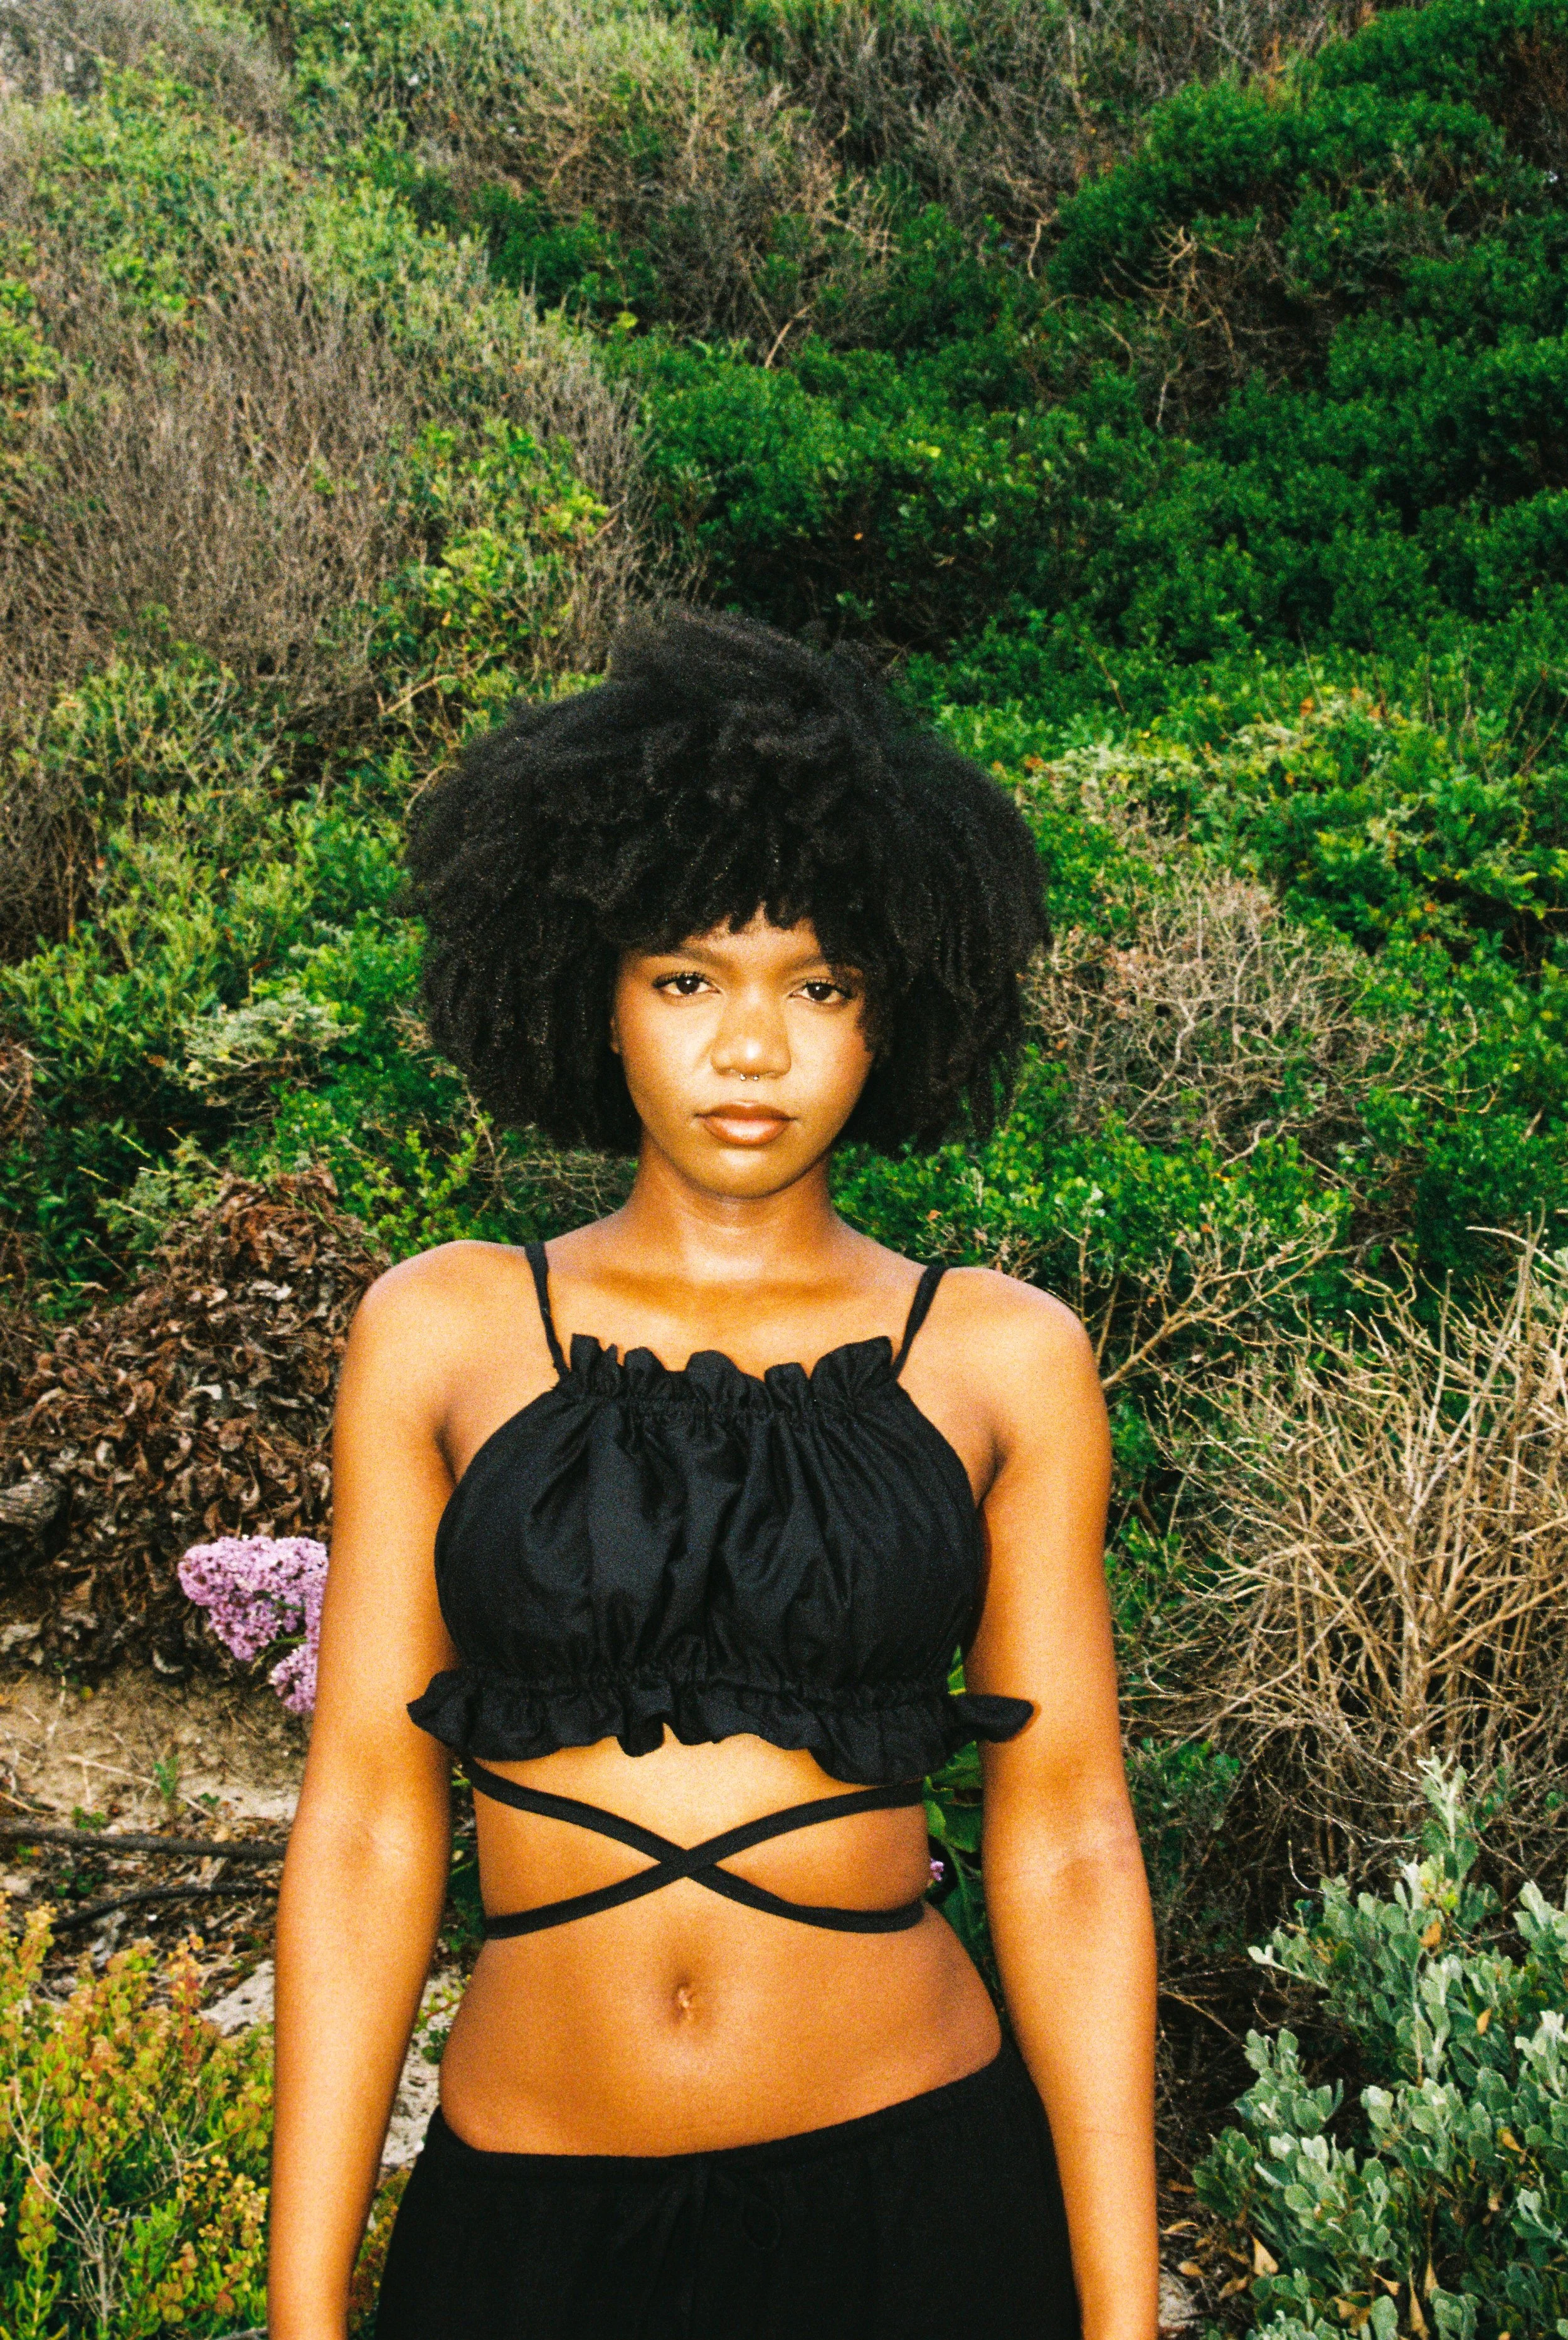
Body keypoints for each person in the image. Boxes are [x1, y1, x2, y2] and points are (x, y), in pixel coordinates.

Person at [267, 608, 1158, 2340]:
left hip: (916, 2196)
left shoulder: (1000, 1355)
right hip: (527, 2218)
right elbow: (368, 1823)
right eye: (688, 980)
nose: (754, 1049)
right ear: (591, 995)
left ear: (895, 1011)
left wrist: (1120, 2320)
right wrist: (304, 2309)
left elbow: (1066, 1840)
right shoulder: (444, 1329)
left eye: (819, 986)